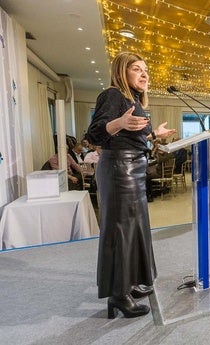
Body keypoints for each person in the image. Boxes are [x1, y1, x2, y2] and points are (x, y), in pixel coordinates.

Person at [86, 51, 176, 319]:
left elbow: (132, 136)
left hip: (133, 168)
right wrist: (119, 122)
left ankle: (128, 283)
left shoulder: (132, 100)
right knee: (120, 231)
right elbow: (94, 134)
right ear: (122, 72)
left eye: (145, 69)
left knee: (134, 229)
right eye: (137, 69)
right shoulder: (113, 94)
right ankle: (118, 296)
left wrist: (152, 135)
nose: (144, 73)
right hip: (119, 169)